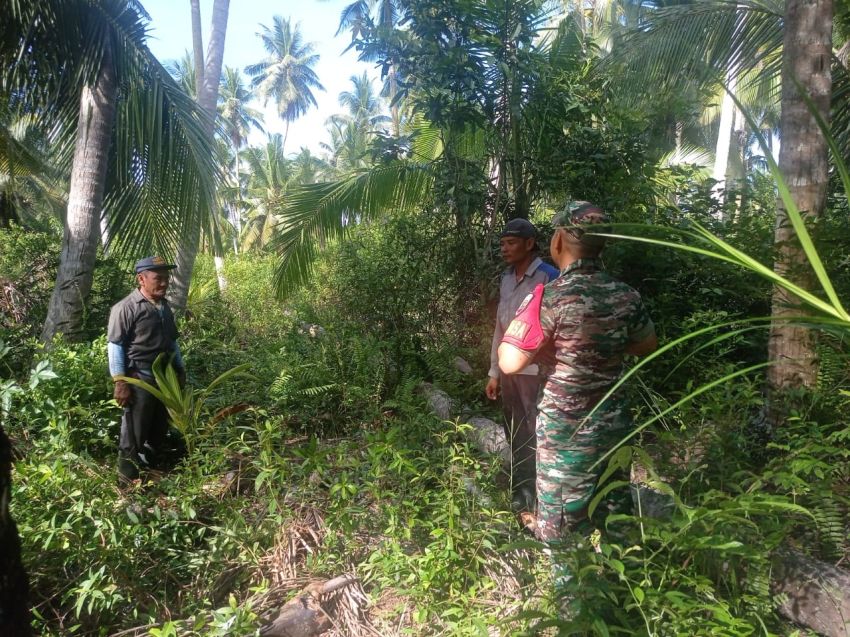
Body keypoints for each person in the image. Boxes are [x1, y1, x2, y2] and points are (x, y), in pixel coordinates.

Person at [498, 202, 657, 543]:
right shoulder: (625, 295)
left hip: (565, 432)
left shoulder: (548, 297)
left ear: (559, 240)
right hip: (613, 426)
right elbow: (647, 344)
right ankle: (620, 586)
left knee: (561, 526)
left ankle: (571, 591)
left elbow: (510, 361)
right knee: (615, 511)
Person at [486, 218, 560, 512]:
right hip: (508, 370)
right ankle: (521, 488)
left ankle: (535, 497)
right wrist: (494, 371)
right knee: (513, 429)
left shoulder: (549, 277)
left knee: (533, 430)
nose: (504, 248)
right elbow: (500, 327)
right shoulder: (506, 279)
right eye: (502, 243)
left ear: (530, 244)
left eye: (511, 242)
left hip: (536, 372)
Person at [108, 256, 186, 483]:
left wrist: (180, 370)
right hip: (139, 378)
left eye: (166, 278)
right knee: (134, 432)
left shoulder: (164, 307)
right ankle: (126, 479)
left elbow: (172, 341)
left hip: (165, 379)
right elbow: (115, 346)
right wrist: (120, 382)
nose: (164, 283)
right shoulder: (125, 308)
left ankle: (150, 471)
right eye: (158, 278)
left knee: (158, 427)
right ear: (141, 279)